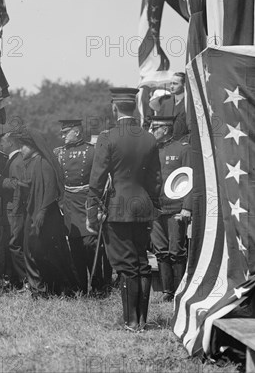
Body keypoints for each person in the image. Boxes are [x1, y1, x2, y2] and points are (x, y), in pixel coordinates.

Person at [87, 88, 162, 332]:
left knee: (126, 265)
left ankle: (131, 321)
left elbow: (97, 180)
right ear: (134, 107)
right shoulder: (149, 137)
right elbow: (155, 179)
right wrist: (156, 205)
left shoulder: (107, 137)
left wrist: (91, 213)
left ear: (114, 108)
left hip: (118, 208)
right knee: (141, 262)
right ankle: (140, 319)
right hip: (143, 208)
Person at [13, 128, 79, 298]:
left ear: (33, 146)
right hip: (35, 213)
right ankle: (41, 290)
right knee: (34, 252)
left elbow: (48, 192)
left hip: (44, 216)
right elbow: (31, 185)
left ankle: (52, 289)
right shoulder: (35, 163)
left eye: (23, 146)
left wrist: (40, 215)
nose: (21, 150)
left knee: (45, 253)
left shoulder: (43, 164)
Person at [54, 119, 107, 295]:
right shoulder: (59, 153)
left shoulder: (92, 152)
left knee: (90, 245)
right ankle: (80, 287)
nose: (62, 135)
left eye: (65, 132)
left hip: (87, 202)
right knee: (75, 245)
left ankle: (98, 286)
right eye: (62, 132)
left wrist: (98, 205)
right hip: (68, 203)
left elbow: (102, 179)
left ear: (76, 131)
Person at [149, 116, 191, 302]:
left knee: (177, 251)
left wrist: (187, 208)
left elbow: (191, 180)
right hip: (156, 209)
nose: (151, 132)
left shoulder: (183, 149)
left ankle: (180, 291)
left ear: (165, 129)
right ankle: (167, 291)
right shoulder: (151, 151)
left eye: (154, 128)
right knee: (161, 251)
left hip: (176, 209)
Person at [0, 132, 28, 287]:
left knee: (14, 244)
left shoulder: (17, 161)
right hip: (8, 208)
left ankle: (24, 279)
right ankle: (14, 278)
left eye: (3, 143)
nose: (0, 146)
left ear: (10, 143)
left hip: (13, 209)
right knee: (8, 244)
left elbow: (17, 184)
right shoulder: (13, 160)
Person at [158, 72, 188, 140]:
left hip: (183, 144)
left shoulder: (189, 103)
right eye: (170, 83)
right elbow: (158, 125)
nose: (171, 86)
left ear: (184, 85)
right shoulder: (165, 104)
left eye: (175, 84)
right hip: (166, 144)